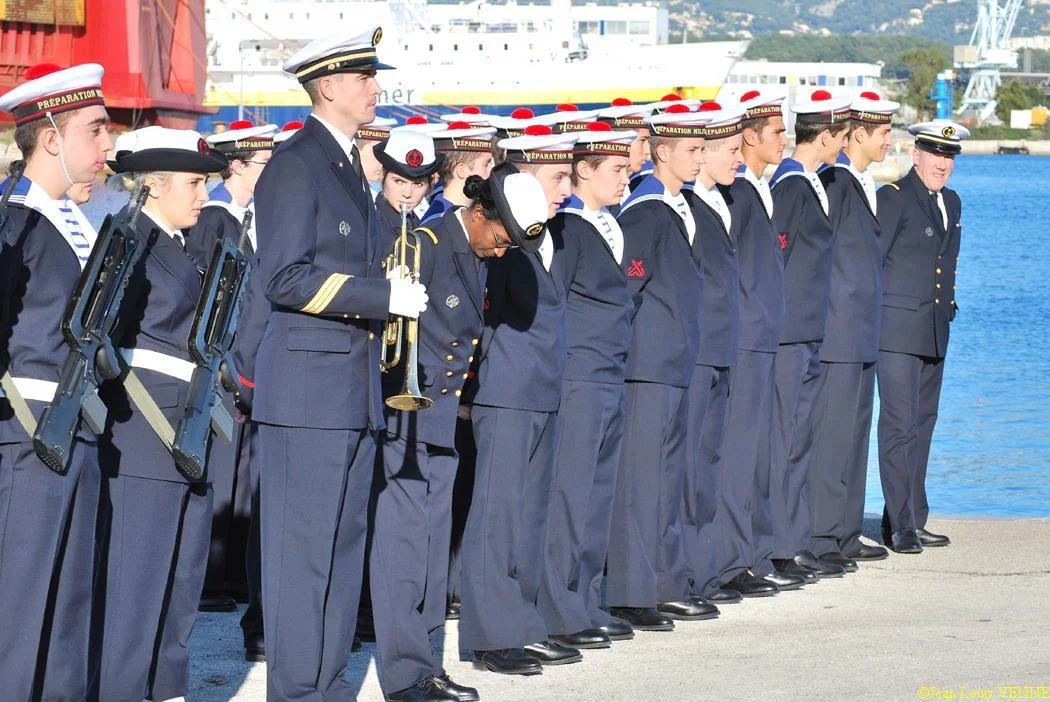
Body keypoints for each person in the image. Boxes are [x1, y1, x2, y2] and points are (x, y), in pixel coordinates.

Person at [251, 28, 429, 700]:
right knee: (304, 564)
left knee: (339, 556)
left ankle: (323, 688)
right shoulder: (298, 163)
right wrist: (381, 296)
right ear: (329, 86)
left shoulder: (350, 165)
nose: (375, 89)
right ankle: (299, 692)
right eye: (364, 79)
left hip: (348, 391)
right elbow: (286, 278)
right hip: (307, 393)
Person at [369, 131, 549, 700]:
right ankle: (404, 674)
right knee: (404, 551)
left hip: (441, 420)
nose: (502, 250)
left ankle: (426, 665)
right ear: (478, 212)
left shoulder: (473, 253)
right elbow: (389, 338)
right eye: (501, 237)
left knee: (430, 552)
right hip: (406, 420)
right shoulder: (422, 245)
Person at [93, 125, 229, 700]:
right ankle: (124, 689)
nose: (204, 195)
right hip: (144, 426)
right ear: (153, 186)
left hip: (187, 425)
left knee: (180, 573)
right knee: (137, 579)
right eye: (194, 183)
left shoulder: (176, 244)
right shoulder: (130, 240)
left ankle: (164, 686)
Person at [0, 61, 112, 701]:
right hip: (26, 439)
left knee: (70, 607)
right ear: (50, 138)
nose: (107, 146)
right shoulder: (15, 223)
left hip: (77, 435)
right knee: (20, 613)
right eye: (94, 131)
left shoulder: (75, 220)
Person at [459, 126, 581, 676]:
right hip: (506, 393)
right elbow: (476, 318)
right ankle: (490, 635)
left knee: (531, 516)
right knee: (497, 517)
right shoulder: (496, 234)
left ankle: (523, 623)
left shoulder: (548, 231)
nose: (566, 188)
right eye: (558, 177)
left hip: (543, 391)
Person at [606, 104, 715, 632]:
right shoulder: (646, 211)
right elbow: (628, 289)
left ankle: (667, 581)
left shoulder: (678, 205)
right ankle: (631, 589)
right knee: (642, 481)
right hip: (647, 366)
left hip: (674, 363)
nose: (700, 159)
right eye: (692, 150)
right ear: (662, 152)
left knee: (668, 478)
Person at [538, 122, 638, 648]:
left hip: (608, 374)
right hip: (578, 375)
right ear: (583, 171)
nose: (627, 178)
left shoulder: (607, 224)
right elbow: (556, 307)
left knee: (597, 493)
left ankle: (586, 599)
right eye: (617, 170)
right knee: (570, 495)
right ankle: (559, 608)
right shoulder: (567, 229)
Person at [183, 119, 277, 618]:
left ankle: (234, 574)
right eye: (263, 163)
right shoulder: (216, 220)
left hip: (249, 363)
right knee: (220, 472)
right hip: (224, 365)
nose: (271, 171)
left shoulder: (249, 218)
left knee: (243, 471)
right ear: (237, 165)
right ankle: (211, 576)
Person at [714, 92, 807, 595]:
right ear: (749, 136)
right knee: (739, 452)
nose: (784, 141)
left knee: (757, 451)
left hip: (764, 338)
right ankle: (732, 559)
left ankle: (751, 550)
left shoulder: (758, 189)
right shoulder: (738, 193)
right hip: (746, 340)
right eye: (776, 132)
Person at [810, 91, 899, 569]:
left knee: (854, 435)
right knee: (833, 434)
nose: (889, 140)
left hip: (861, 331)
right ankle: (823, 534)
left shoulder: (861, 182)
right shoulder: (837, 183)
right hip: (839, 332)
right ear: (857, 134)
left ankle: (844, 531)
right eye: (883, 132)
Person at [768, 89, 853, 579]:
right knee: (785, 438)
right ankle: (782, 544)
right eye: (839, 138)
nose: (842, 146)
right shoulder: (790, 186)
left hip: (807, 330)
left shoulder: (811, 183)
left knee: (800, 437)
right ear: (823, 136)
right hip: (788, 333)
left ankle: (796, 538)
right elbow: (778, 258)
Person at [876, 120, 968, 554]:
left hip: (934, 329)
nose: (942, 164)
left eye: (949, 157)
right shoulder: (893, 198)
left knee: (923, 426)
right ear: (916, 155)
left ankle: (911, 515)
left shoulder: (952, 201)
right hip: (895, 330)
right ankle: (900, 527)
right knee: (898, 427)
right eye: (935, 154)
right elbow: (873, 263)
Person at [680, 103, 759, 602]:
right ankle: (685, 571)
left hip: (722, 350)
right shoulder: (685, 206)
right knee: (687, 468)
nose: (739, 158)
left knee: (709, 463)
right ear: (703, 154)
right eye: (731, 150)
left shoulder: (721, 202)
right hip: (696, 352)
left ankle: (705, 568)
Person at [420, 121, 497, 223]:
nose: (492, 170)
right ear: (461, 171)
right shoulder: (440, 221)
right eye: (486, 164)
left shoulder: (461, 214)